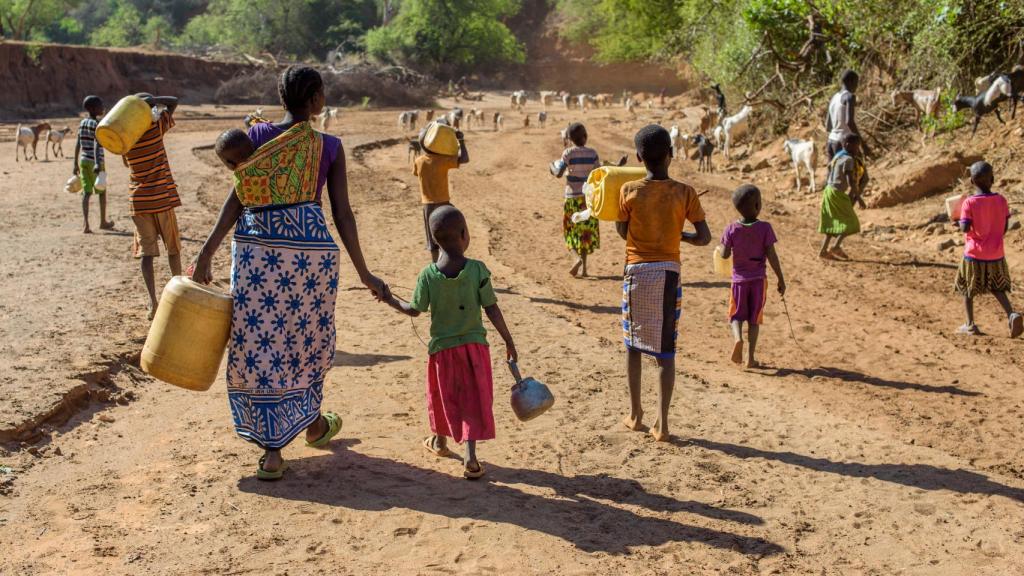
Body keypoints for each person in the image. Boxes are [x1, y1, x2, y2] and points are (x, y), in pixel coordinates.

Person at [191, 66, 390, 480]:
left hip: (256, 257)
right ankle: (312, 423)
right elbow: (343, 214)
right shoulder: (330, 146)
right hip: (307, 262)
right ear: (316, 99)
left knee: (260, 343)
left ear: (281, 98)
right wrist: (365, 273)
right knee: (302, 342)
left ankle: (273, 451)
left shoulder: (257, 137)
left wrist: (208, 251)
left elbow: (238, 197)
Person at [386, 205, 517, 480]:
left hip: (442, 352)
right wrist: (508, 339)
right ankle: (470, 456)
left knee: (444, 397)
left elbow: (414, 310)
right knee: (471, 399)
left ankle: (441, 442)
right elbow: (492, 308)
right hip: (474, 349)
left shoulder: (427, 275)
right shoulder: (477, 270)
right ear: (464, 234)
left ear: (434, 240)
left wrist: (389, 299)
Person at [616, 125, 710, 442]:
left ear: (640, 157)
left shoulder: (628, 190)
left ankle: (635, 414)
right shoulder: (685, 192)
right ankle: (663, 425)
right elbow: (704, 237)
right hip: (669, 273)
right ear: (671, 154)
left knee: (633, 344)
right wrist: (678, 234)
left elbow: (621, 232)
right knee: (665, 350)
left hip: (637, 272)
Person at [123, 93, 183, 319]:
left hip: (138, 202)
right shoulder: (155, 128)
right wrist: (152, 99)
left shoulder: (126, 138)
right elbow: (173, 101)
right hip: (162, 198)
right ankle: (176, 296)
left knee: (146, 254)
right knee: (173, 249)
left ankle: (153, 300)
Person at [719, 185, 786, 368]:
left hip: (739, 281)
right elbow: (772, 256)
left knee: (735, 315)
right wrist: (780, 278)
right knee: (754, 319)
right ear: (757, 205)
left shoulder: (731, 229)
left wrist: (721, 247)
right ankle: (750, 358)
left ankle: (738, 338)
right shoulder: (765, 228)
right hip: (758, 281)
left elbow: (724, 255)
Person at [954, 161, 1023, 337]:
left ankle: (970, 325)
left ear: (971, 181)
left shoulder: (969, 203)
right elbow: (1005, 226)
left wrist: (957, 223)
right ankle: (1011, 314)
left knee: (968, 288)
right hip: (996, 253)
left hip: (974, 253)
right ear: (992, 179)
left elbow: (965, 228)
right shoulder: (1001, 200)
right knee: (997, 286)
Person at [550, 122, 601, 277]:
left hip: (572, 198)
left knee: (571, 232)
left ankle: (576, 258)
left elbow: (558, 173)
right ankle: (584, 269)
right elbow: (597, 173)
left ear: (570, 138)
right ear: (585, 137)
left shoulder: (568, 153)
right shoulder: (593, 153)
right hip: (588, 199)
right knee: (585, 233)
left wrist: (551, 167)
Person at [414, 122, 469, 263]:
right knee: (453, 238)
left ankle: (436, 269)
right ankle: (453, 264)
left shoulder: (418, 161)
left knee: (432, 241)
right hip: (445, 205)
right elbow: (464, 159)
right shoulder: (442, 160)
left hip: (427, 207)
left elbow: (417, 172)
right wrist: (460, 140)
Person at [818, 132, 867, 260]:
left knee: (832, 222)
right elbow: (851, 181)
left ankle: (823, 250)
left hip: (829, 191)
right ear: (847, 144)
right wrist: (859, 198)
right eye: (856, 147)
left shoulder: (838, 156)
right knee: (852, 223)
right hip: (837, 193)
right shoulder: (849, 160)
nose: (857, 150)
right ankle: (836, 247)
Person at [74, 95, 113, 233]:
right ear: (93, 108)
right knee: (102, 191)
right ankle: (103, 222)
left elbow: (78, 143)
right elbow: (97, 144)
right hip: (96, 162)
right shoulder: (97, 125)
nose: (103, 107)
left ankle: (86, 225)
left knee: (86, 192)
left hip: (83, 161)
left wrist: (75, 164)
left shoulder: (83, 123)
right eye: (100, 105)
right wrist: (97, 163)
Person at [825, 69, 867, 162]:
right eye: (856, 83)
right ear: (850, 81)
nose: (856, 86)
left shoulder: (834, 97)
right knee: (858, 170)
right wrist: (861, 142)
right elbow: (849, 122)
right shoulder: (850, 96)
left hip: (831, 141)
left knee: (832, 174)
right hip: (845, 143)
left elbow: (828, 125)